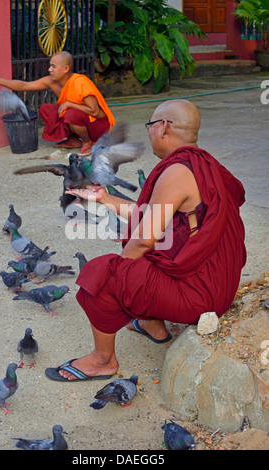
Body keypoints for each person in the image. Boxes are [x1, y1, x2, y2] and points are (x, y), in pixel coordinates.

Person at [44, 99, 247, 382]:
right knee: (148, 253)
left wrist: (117, 279)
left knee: (102, 273)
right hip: (218, 288)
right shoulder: (206, 165)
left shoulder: (177, 172)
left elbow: (142, 240)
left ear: (164, 127)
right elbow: (156, 219)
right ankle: (151, 321)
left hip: (200, 298)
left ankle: (103, 360)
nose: (149, 132)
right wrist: (104, 197)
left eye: (150, 125)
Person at [0, 51, 115, 155]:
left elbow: (94, 111)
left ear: (65, 69)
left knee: (71, 113)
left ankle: (87, 142)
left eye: (53, 66)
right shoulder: (51, 81)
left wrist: (69, 104)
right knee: (46, 109)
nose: (49, 69)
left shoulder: (80, 82)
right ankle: (74, 139)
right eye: (50, 66)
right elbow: (24, 85)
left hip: (99, 127)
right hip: (82, 121)